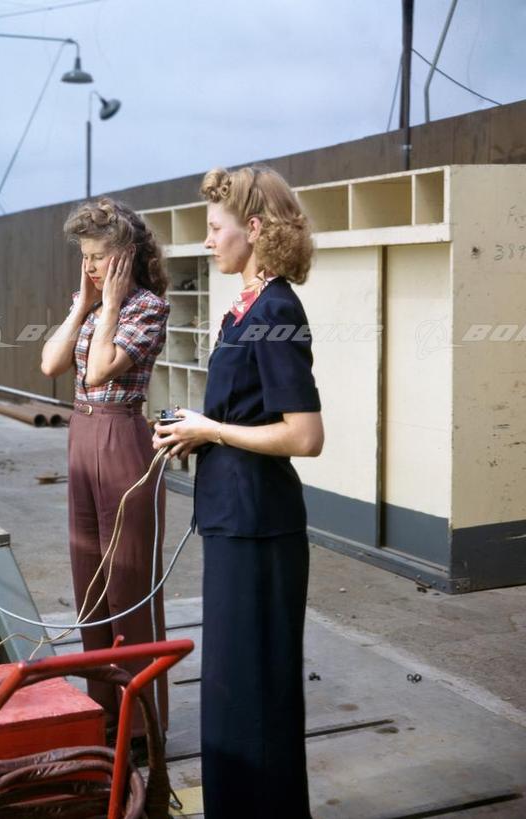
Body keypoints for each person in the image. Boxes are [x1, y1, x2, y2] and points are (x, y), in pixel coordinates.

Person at [152, 166, 324, 817]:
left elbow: (305, 434)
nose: (206, 241)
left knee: (256, 697)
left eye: (214, 228)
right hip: (233, 519)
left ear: (252, 229)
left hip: (260, 527)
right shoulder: (243, 307)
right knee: (230, 692)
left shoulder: (276, 309)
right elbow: (247, 414)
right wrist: (195, 433)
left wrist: (212, 429)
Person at [40, 197, 171, 754]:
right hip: (82, 434)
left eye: (100, 256)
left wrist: (112, 303)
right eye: (86, 256)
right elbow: (51, 363)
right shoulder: (91, 304)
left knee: (128, 582)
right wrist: (85, 307)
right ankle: (103, 712)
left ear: (127, 255)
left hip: (121, 437)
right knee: (90, 581)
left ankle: (141, 727)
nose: (91, 266)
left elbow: (96, 370)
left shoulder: (147, 308)